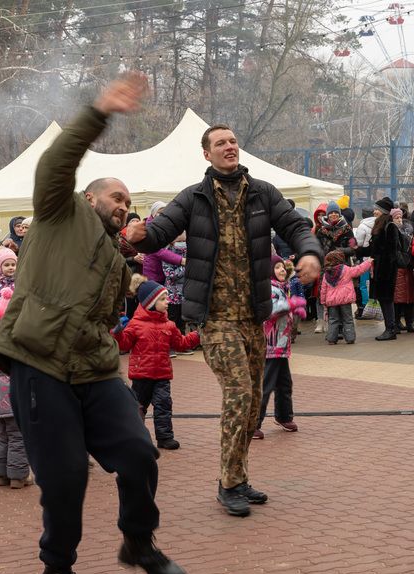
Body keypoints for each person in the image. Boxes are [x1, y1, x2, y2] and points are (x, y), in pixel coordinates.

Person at [0, 74, 189, 574]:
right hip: (39, 362)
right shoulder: (60, 211)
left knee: (138, 452)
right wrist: (100, 112)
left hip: (95, 367)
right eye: (116, 197)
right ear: (89, 196)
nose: (124, 206)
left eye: (129, 202)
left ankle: (138, 542)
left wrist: (144, 284)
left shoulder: (110, 250)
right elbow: (57, 160)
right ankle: (56, 572)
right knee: (65, 476)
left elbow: (114, 279)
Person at [126, 119, 322, 518]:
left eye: (233, 141)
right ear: (207, 153)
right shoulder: (194, 197)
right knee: (239, 392)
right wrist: (138, 235)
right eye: (221, 143)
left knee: (251, 406)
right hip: (214, 318)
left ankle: (239, 475)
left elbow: (295, 226)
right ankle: (229, 484)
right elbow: (160, 231)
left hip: (254, 316)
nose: (230, 147)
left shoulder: (262, 193)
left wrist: (310, 253)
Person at [114, 281, 201, 450]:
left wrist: (197, 335)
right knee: (138, 408)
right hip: (141, 376)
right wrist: (117, 333)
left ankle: (164, 437)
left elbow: (181, 343)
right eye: (163, 299)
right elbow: (124, 345)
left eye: (167, 298)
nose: (167, 302)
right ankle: (135, 437)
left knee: (163, 406)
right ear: (151, 303)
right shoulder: (135, 324)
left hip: (162, 375)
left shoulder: (169, 325)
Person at [0, 286, 32, 488]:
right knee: (18, 436)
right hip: (13, 394)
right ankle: (19, 476)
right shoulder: (13, 340)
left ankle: (0, 474)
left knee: (3, 436)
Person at [255, 257, 306, 438]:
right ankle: (253, 423)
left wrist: (293, 310)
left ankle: (284, 416)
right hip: (270, 346)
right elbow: (270, 310)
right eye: (277, 267)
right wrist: (291, 305)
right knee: (266, 385)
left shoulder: (283, 288)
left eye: (283, 267)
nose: (282, 270)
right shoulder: (269, 289)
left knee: (284, 384)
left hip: (281, 346)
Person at [366, 197, 403, 340]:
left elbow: (391, 252)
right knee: (383, 299)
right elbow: (373, 249)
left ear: (384, 211)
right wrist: (356, 249)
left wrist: (384, 272)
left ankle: (391, 329)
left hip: (386, 271)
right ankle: (389, 328)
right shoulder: (379, 225)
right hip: (379, 270)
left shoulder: (390, 226)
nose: (375, 211)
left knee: (387, 299)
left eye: (377, 209)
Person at [320, 249, 372, 345]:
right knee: (347, 319)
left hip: (331, 302)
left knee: (333, 320)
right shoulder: (346, 269)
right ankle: (350, 338)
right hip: (345, 300)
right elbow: (358, 270)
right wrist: (368, 262)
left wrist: (323, 302)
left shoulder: (326, 274)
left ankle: (331, 339)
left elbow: (323, 290)